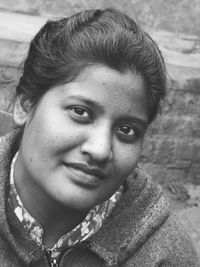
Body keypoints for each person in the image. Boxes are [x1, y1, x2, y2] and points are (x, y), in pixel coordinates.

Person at [0, 8, 199, 267]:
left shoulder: (166, 255)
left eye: (126, 130)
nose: (101, 149)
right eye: (80, 112)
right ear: (25, 106)